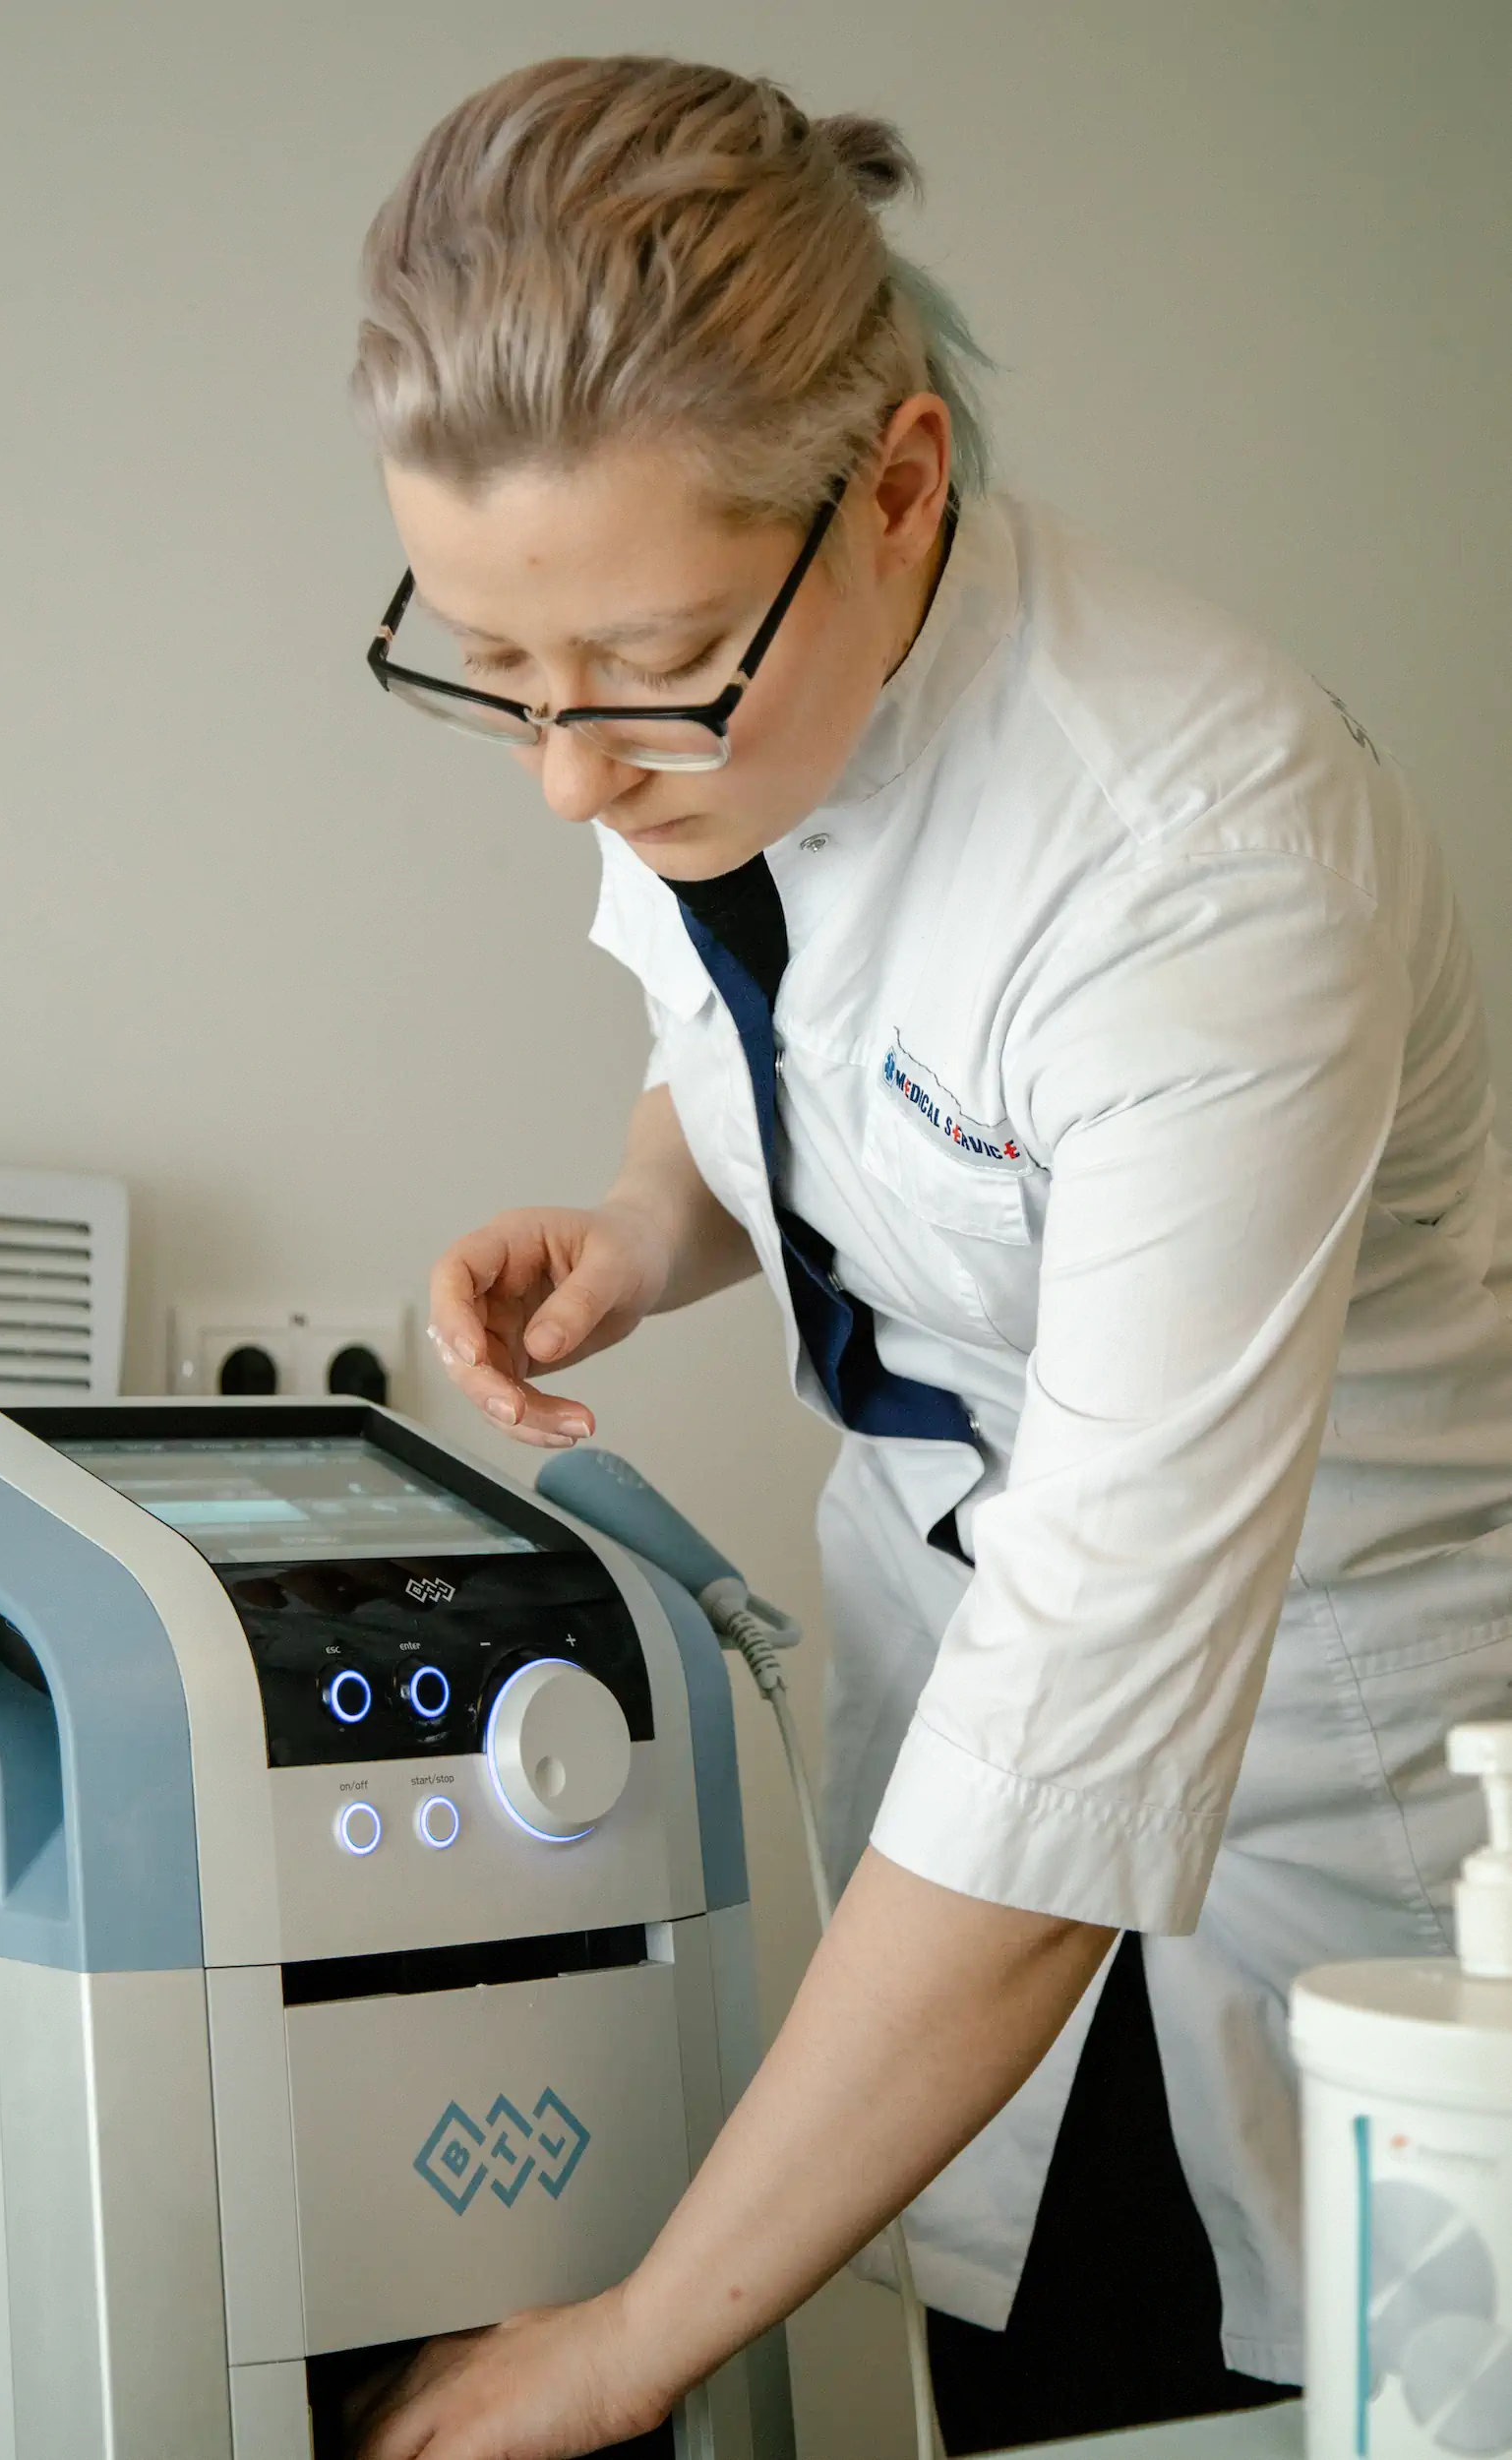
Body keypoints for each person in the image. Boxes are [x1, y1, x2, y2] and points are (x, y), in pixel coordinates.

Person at [347, 55, 1512, 2460]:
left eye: (637, 668)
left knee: (1208, 2378)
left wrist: (622, 2346)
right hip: (949, 1691)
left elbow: (1082, 1724)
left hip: (1293, 1775)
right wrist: (646, 1223)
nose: (567, 770)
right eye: (492, 665)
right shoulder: (711, 697)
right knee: (960, 2335)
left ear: (893, 485)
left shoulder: (1200, 881)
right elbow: (753, 1032)